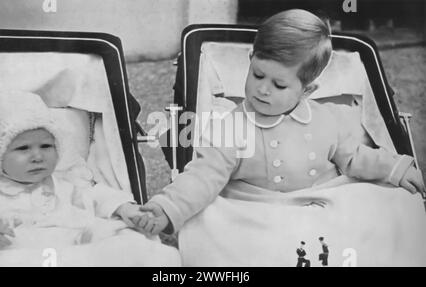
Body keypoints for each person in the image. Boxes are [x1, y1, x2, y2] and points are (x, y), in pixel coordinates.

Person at [132, 9, 425, 237]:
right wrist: (167, 208)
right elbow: (203, 176)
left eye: (279, 85)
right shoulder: (230, 126)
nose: (262, 89)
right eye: (257, 75)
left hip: (321, 203)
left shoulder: (326, 119)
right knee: (208, 230)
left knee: (393, 214)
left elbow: (355, 157)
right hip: (257, 212)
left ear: (307, 90)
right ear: (250, 60)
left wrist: (396, 168)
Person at [0, 91, 143, 250]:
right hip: (16, 253)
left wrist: (122, 206)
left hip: (68, 249)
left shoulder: (63, 178)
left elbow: (94, 194)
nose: (37, 156)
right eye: (23, 148)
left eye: (46, 146)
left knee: (119, 235)